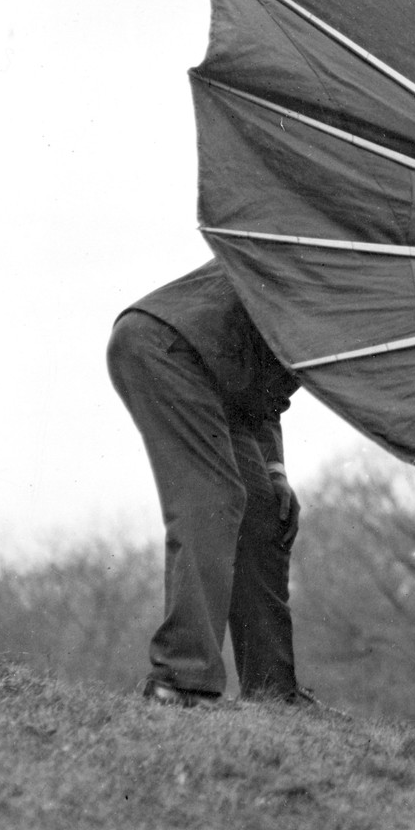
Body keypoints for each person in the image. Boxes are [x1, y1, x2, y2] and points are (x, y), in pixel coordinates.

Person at [106, 260, 311, 707]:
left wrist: (276, 471)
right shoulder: (318, 261)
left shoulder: (340, 303)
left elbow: (265, 395)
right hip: (167, 346)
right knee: (215, 497)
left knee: (264, 511)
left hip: (220, 382)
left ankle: (274, 693)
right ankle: (179, 680)